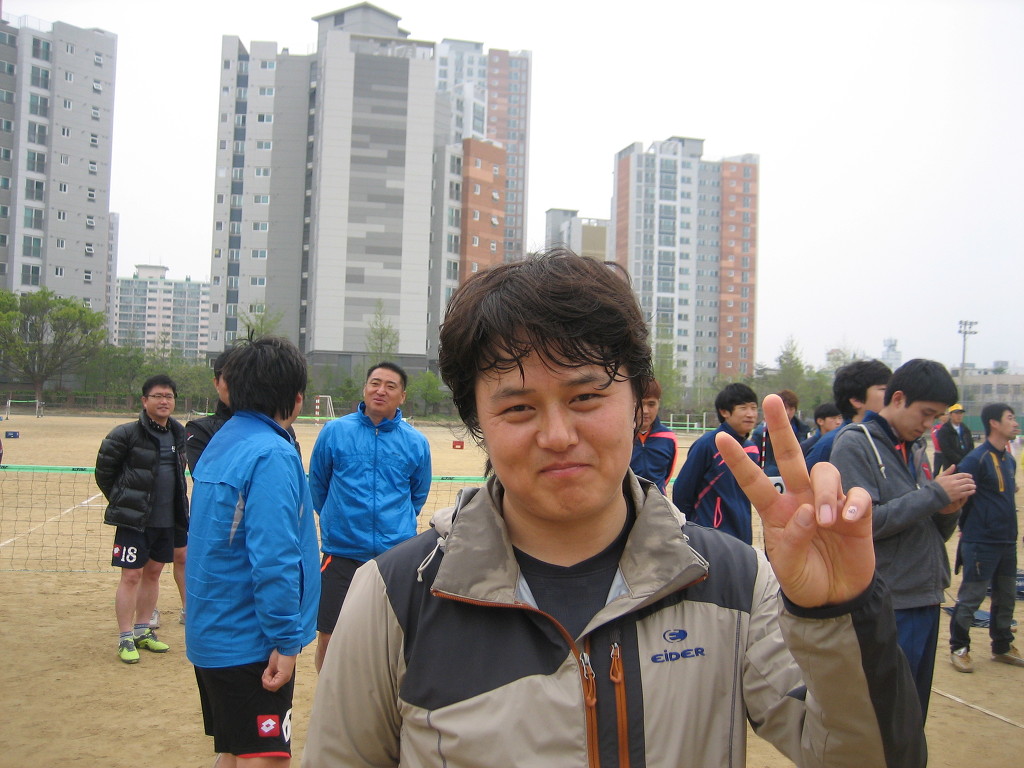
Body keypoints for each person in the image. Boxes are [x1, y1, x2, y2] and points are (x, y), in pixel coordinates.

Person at [303, 250, 926, 767]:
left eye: (587, 397)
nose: (557, 436)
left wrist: (839, 612)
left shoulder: (735, 582)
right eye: (518, 407)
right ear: (478, 424)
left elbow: (865, 755)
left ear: (638, 404)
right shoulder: (395, 597)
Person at [185, 336, 320, 767]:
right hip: (251, 641)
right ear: (296, 399)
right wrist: (286, 639)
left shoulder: (223, 441)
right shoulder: (272, 453)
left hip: (214, 633)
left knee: (236, 751)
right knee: (266, 758)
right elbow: (274, 558)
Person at [830, 358, 976, 720]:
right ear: (897, 399)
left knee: (914, 710)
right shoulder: (856, 443)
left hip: (926, 595)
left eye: (936, 417)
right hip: (890, 601)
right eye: (926, 414)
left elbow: (928, 529)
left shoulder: (915, 449)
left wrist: (948, 510)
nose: (929, 425)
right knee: (889, 714)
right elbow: (862, 524)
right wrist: (934, 494)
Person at [308, 361, 432, 672]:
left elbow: (417, 495)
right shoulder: (335, 432)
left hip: (394, 557)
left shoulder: (416, 442)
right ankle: (330, 695)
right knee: (330, 636)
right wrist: (339, 521)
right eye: (375, 383)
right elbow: (318, 486)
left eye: (390, 386)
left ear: (402, 396)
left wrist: (393, 526)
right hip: (341, 554)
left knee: (392, 639)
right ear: (365, 388)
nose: (381, 390)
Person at [95, 374, 189, 664]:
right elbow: (104, 473)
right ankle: (125, 637)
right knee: (131, 576)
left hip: (167, 520)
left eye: (169, 396)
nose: (164, 401)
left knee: (153, 573)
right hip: (135, 521)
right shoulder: (125, 434)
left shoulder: (178, 433)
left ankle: (142, 630)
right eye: (158, 396)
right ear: (144, 400)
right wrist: (125, 503)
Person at [948, 403, 1023, 672]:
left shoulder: (1009, 460)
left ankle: (1002, 645)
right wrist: (970, 528)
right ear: (994, 423)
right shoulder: (976, 459)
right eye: (1010, 418)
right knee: (972, 596)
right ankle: (959, 647)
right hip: (981, 541)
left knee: (1006, 596)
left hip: (1006, 540)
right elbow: (959, 496)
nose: (1015, 423)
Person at [671, 382, 760, 543]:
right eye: (743, 408)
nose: (750, 414)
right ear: (724, 411)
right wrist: (690, 531)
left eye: (754, 408)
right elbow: (682, 491)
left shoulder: (752, 449)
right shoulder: (708, 444)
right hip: (710, 538)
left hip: (741, 537)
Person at [806, 359, 891, 469]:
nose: (892, 396)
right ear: (856, 400)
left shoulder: (892, 439)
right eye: (884, 389)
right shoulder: (830, 444)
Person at [628, 378, 677, 494]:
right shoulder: (620, 436)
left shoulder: (668, 438)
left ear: (658, 403)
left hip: (657, 501)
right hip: (627, 501)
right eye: (640, 404)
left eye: (651, 404)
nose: (645, 410)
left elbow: (667, 475)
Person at [751, 389, 810, 477]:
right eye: (784, 408)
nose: (788, 412)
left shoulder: (803, 431)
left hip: (795, 476)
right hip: (769, 478)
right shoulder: (761, 432)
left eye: (791, 408)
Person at [936, 403, 975, 471]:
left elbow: (971, 445)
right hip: (951, 466)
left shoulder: (965, 429)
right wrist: (959, 460)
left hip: (966, 466)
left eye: (961, 413)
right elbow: (946, 449)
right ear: (950, 415)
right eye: (956, 413)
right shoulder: (944, 430)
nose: (959, 416)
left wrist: (967, 459)